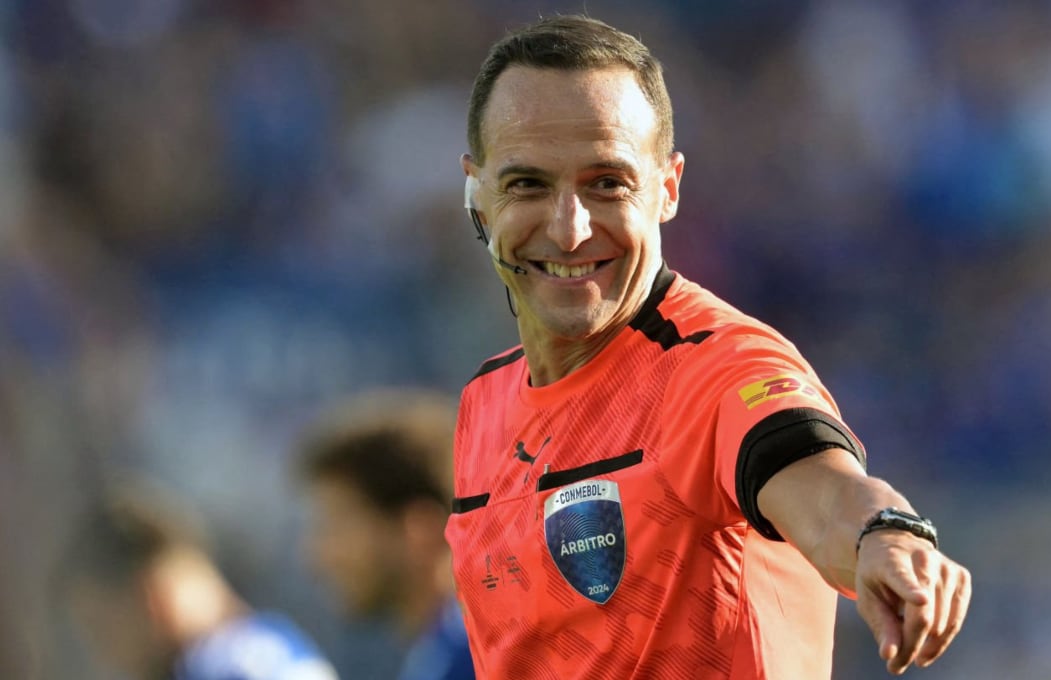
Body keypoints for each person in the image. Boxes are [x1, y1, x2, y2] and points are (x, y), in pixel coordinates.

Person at [447, 15, 971, 679]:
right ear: (478, 193)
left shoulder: (718, 367)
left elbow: (824, 491)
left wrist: (883, 534)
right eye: (529, 184)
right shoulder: (481, 404)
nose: (570, 228)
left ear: (667, 187)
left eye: (607, 183)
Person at [60, 478, 338, 680]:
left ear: (153, 600)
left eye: (101, 629)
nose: (104, 656)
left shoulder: (223, 668)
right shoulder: (273, 647)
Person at [298, 389, 475, 680]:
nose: (318, 557)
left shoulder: (473, 658)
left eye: (339, 524)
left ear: (419, 531)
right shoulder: (438, 655)